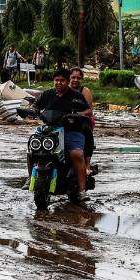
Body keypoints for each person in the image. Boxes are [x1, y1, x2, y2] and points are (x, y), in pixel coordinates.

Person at [34, 68, 92, 201]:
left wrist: (77, 115)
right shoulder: (47, 94)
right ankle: (29, 177)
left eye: (62, 80)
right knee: (32, 148)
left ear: (67, 81)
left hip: (72, 130)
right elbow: (36, 106)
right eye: (56, 80)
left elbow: (88, 111)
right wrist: (34, 112)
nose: (59, 83)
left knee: (76, 154)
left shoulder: (76, 96)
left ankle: (82, 191)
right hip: (50, 129)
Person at [68, 67, 96, 169]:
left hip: (82, 119)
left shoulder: (85, 91)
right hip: (64, 119)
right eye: (73, 77)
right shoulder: (64, 89)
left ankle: (87, 164)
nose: (75, 80)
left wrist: (78, 114)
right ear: (68, 78)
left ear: (81, 79)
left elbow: (89, 111)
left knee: (86, 131)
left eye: (78, 78)